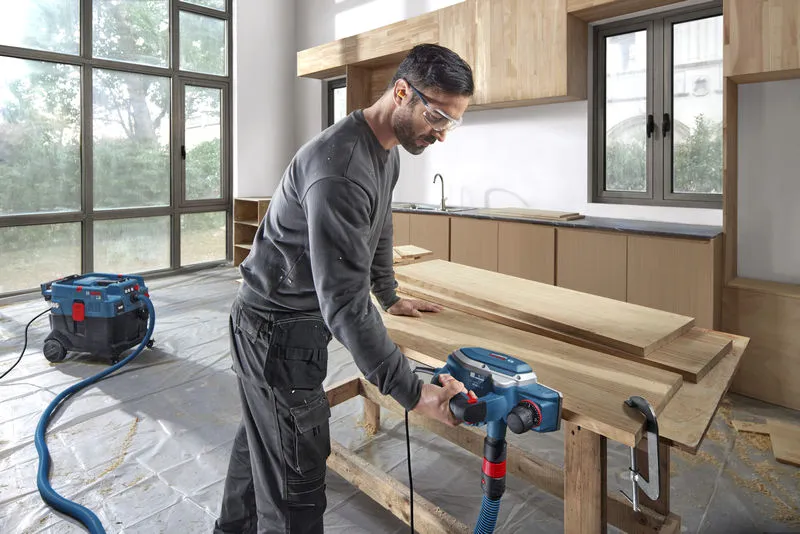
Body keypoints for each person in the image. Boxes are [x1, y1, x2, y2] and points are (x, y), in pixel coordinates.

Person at [214, 43, 475, 534]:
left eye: (452, 122)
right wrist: (413, 393)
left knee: (261, 448)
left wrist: (390, 293)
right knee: (296, 494)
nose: (441, 133)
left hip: (283, 326)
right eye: (437, 116)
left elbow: (378, 229)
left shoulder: (386, 153)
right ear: (402, 92)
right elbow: (346, 307)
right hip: (273, 334)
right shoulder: (340, 168)